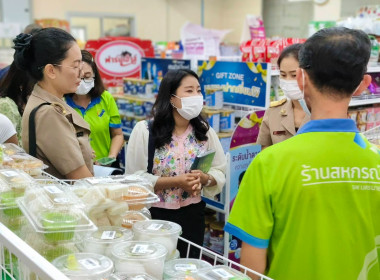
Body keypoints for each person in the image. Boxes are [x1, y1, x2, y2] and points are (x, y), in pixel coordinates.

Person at [225, 27, 380, 280]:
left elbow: (251, 270)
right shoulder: (377, 162)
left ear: (301, 79)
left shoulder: (269, 163)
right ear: (363, 84)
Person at [126, 69, 226, 257]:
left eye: (198, 90)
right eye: (189, 91)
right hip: (155, 216)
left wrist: (205, 179)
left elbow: (219, 169)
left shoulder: (204, 132)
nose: (196, 96)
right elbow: (134, 178)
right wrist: (175, 182)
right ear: (172, 98)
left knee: (189, 265)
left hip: (193, 214)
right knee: (156, 264)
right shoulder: (146, 131)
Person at [14, 28, 94, 179]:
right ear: (51, 70)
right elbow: (82, 179)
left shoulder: (44, 100)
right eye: (75, 66)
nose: (81, 73)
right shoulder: (49, 113)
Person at [65, 50, 124, 167]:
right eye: (78, 77)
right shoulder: (62, 102)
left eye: (86, 77)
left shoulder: (105, 98)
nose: (81, 82)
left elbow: (117, 134)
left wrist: (110, 158)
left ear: (94, 75)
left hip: (106, 168)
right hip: (76, 168)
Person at [257, 44, 310, 149]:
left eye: (294, 75)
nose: (288, 80)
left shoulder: (323, 113)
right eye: (283, 75)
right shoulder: (273, 112)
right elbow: (265, 153)